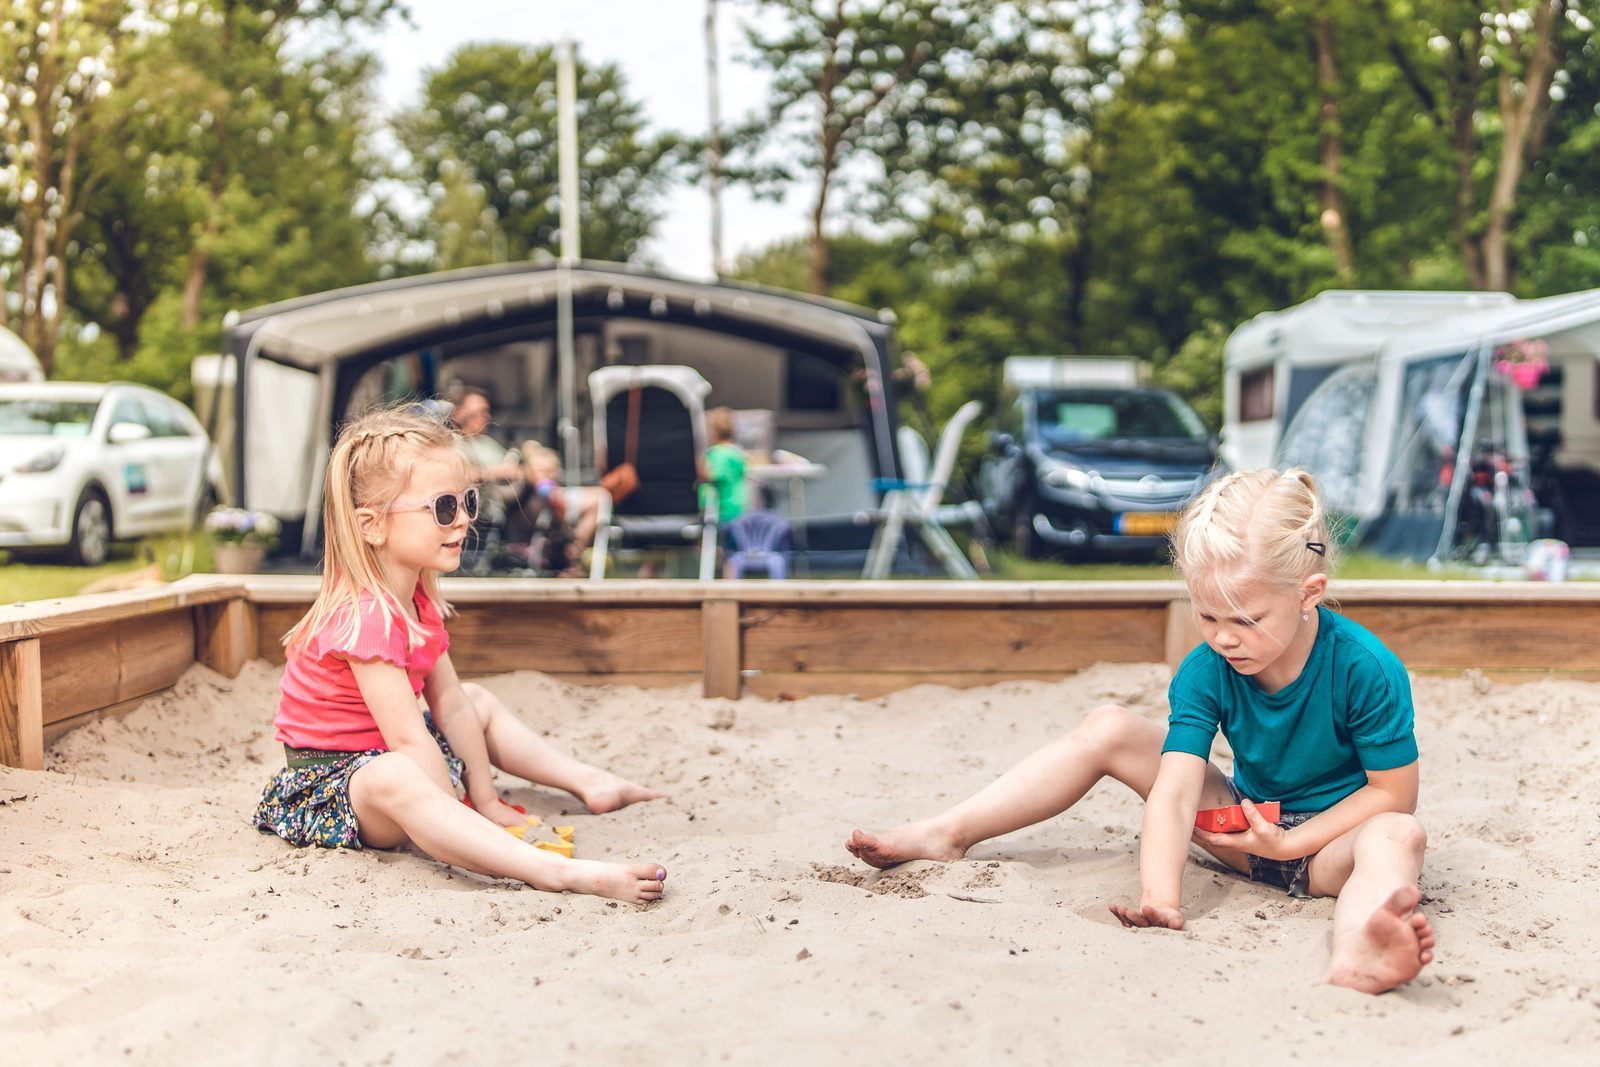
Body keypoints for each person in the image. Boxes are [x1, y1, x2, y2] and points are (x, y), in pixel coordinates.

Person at [845, 469, 1434, 994]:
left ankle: (1360, 947)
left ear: (1309, 594)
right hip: (1243, 829)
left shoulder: (1364, 664)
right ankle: (946, 833)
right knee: (1110, 726)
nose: (1224, 638)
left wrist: (1290, 845)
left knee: (1398, 835)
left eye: (1247, 620)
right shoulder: (1209, 668)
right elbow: (1176, 790)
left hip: (1330, 850)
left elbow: (1391, 792)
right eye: (1207, 616)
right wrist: (1161, 899)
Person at [252, 406, 666, 903]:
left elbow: (448, 703)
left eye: (467, 500)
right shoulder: (365, 617)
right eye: (442, 508)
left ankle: (589, 781)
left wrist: (485, 800)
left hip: (388, 757)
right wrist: (463, 818)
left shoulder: (419, 602)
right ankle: (552, 872)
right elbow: (407, 743)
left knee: (476, 700)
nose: (465, 519)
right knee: (397, 774)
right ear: (372, 525)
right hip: (334, 785)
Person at [504, 442, 601, 575]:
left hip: (550, 548)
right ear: (529, 470)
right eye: (540, 471)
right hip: (523, 548)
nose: (545, 476)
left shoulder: (552, 494)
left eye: (550, 472)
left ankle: (574, 558)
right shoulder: (521, 488)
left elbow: (562, 523)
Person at [700, 406, 749, 525]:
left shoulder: (717, 454)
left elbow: (714, 476)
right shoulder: (737, 453)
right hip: (738, 507)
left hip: (721, 509)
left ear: (713, 432)